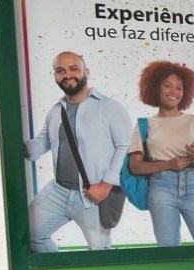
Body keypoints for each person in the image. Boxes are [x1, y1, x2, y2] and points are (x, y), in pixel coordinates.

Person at [26, 51, 132, 252]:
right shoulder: (56, 111)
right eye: (60, 71)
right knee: (28, 235)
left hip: (92, 195)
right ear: (55, 76)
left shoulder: (109, 107)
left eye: (73, 68)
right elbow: (43, 141)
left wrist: (106, 185)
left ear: (86, 72)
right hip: (59, 191)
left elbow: (125, 147)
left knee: (100, 253)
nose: (67, 75)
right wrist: (20, 147)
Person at [128, 61, 194, 247]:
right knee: (168, 247)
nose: (174, 91)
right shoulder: (144, 125)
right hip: (160, 188)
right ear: (155, 87)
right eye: (168, 85)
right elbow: (135, 166)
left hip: (193, 186)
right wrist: (168, 164)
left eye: (179, 87)